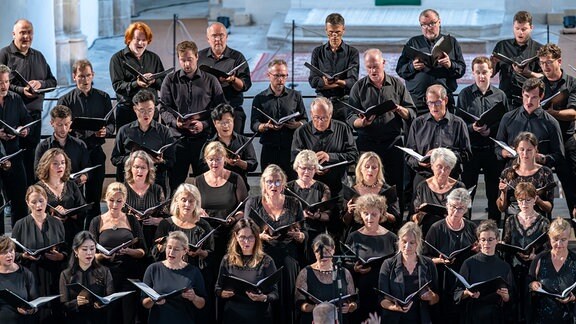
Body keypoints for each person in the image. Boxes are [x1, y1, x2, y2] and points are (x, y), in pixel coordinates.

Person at [348, 48, 416, 213]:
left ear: (384, 63)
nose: (372, 71)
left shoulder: (397, 84)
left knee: (395, 185)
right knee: (367, 184)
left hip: (392, 144)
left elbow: (412, 113)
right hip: (368, 144)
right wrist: (361, 122)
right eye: (369, 67)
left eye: (376, 66)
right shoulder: (359, 87)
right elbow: (350, 117)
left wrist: (400, 109)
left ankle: (396, 222)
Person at [160, 40, 226, 193]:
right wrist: (176, 123)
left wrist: (205, 124)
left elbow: (221, 109)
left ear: (197, 57)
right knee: (176, 185)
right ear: (178, 59)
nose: (186, 64)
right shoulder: (170, 80)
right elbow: (163, 109)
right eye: (183, 60)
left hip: (203, 141)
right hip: (178, 141)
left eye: (189, 59)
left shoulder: (211, 80)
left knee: (205, 184)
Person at [245, 164, 306, 324]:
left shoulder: (294, 203)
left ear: (284, 184)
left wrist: (300, 235)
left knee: (286, 301)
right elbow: (245, 232)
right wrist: (260, 236)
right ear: (263, 183)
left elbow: (304, 232)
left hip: (287, 257)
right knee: (265, 301)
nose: (274, 186)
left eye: (278, 182)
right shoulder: (253, 202)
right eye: (270, 182)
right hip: (262, 258)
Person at [0, 19, 57, 185]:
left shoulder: (38, 56)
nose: (26, 36)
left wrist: (41, 84)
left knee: (31, 157)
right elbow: (2, 85)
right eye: (22, 32)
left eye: (29, 32)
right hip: (10, 117)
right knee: (10, 162)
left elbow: (52, 82)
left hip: (33, 117)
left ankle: (30, 199)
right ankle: (13, 203)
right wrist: (20, 90)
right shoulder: (4, 55)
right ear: (14, 34)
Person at [57, 59, 114, 222]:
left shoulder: (103, 97)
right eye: (81, 76)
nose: (85, 80)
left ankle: (93, 236)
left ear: (93, 75)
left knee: (94, 198)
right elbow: (59, 128)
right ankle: (74, 236)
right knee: (72, 199)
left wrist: (105, 131)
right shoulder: (65, 101)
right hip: (73, 155)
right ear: (74, 76)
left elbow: (111, 124)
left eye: (88, 76)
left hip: (95, 152)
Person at [457, 56, 509, 223]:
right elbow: (459, 123)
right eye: (478, 73)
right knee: (467, 193)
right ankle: (466, 230)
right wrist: (473, 128)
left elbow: (505, 122)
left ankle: (494, 228)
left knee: (493, 193)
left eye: (484, 72)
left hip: (492, 151)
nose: (481, 76)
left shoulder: (500, 95)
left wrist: (490, 130)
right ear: (473, 73)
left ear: (491, 72)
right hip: (471, 151)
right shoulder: (465, 94)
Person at [153, 183, 214, 321]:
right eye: (184, 200)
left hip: (196, 276)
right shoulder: (166, 224)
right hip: (170, 275)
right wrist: (162, 245)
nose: (187, 204)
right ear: (177, 201)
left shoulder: (203, 225)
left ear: (197, 203)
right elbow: (154, 253)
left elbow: (211, 254)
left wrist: (200, 252)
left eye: (191, 201)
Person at [89, 182, 146, 324]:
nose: (115, 205)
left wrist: (130, 251)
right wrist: (102, 256)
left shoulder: (132, 220)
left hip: (128, 274)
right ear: (105, 199)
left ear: (124, 201)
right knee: (108, 316)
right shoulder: (97, 221)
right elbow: (90, 253)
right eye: (111, 200)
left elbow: (143, 251)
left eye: (119, 201)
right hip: (105, 275)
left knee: (128, 315)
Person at [12, 185, 67, 322]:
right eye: (34, 202)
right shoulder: (20, 225)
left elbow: (66, 249)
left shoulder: (57, 223)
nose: (38, 205)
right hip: (31, 277)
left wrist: (61, 256)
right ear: (27, 203)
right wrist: (23, 256)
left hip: (54, 276)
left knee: (56, 315)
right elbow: (12, 254)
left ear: (47, 200)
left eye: (41, 201)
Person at [395, 9, 466, 115]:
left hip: (443, 101)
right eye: (424, 25)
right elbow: (400, 70)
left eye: (432, 23)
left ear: (439, 22)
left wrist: (450, 65)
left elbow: (461, 69)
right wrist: (412, 66)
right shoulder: (413, 43)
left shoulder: (451, 42)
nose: (428, 28)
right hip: (419, 102)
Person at [405, 84, 471, 196]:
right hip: (424, 177)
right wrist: (419, 162)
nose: (434, 107)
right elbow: (408, 156)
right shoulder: (418, 123)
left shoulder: (458, 123)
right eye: (430, 103)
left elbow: (466, 154)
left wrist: (444, 156)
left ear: (445, 100)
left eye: (437, 102)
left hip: (450, 177)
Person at [424, 188, 477, 324]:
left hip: (464, 278)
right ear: (447, 206)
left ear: (466, 209)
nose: (455, 211)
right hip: (443, 277)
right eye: (453, 207)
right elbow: (424, 257)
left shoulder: (471, 227)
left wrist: (477, 250)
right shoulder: (436, 228)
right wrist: (438, 260)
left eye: (460, 208)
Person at [537, 43, 576, 217]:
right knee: (541, 188)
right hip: (544, 142)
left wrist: (553, 113)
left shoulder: (571, 83)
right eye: (542, 63)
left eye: (549, 62)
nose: (545, 66)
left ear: (559, 61)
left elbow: (574, 112)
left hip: (566, 141)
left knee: (572, 187)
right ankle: (544, 235)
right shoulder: (538, 84)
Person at [292, 96, 359, 197]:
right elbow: (294, 160)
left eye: (324, 118)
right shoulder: (301, 132)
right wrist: (313, 165)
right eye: (316, 117)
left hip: (338, 186)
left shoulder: (343, 128)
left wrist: (330, 157)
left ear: (331, 115)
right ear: (311, 114)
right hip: (311, 189)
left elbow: (354, 155)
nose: (320, 121)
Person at [502, 182, 550, 323]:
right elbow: (506, 242)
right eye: (521, 200)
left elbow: (548, 249)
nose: (524, 203)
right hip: (514, 267)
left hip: (534, 269)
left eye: (528, 199)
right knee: (515, 304)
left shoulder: (544, 222)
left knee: (531, 304)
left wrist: (536, 256)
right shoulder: (510, 220)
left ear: (535, 199)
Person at [344, 194, 396, 322]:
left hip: (384, 291)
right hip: (362, 289)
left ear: (381, 214)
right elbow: (345, 262)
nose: (369, 218)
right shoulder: (353, 236)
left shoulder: (392, 238)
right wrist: (354, 268)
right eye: (365, 213)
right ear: (360, 214)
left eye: (374, 214)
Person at [252, 59, 308, 178]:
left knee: (291, 184)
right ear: (268, 75)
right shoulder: (260, 98)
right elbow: (254, 124)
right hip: (269, 148)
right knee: (269, 182)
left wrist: (297, 125)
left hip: (290, 148)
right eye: (277, 75)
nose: (280, 79)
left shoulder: (295, 96)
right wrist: (264, 126)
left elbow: (305, 120)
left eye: (283, 75)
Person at [215, 218, 278, 323]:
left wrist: (263, 298)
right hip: (233, 314)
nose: (246, 242)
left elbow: (275, 293)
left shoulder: (266, 261)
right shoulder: (227, 259)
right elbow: (217, 288)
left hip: (258, 315)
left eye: (250, 237)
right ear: (236, 236)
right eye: (242, 237)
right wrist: (222, 293)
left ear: (257, 237)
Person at [112, 89, 175, 195]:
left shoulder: (164, 131)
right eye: (142, 110)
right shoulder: (124, 131)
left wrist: (160, 161)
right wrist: (132, 160)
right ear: (135, 109)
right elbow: (115, 158)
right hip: (129, 183)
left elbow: (171, 161)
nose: (146, 114)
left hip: (155, 183)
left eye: (150, 110)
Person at [495, 78, 564, 172]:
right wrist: (504, 152)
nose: (529, 101)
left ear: (541, 96)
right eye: (526, 96)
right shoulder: (507, 118)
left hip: (539, 175)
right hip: (513, 174)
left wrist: (543, 158)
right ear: (522, 93)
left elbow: (559, 156)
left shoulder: (551, 123)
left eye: (534, 97)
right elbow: (497, 147)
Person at [454, 220, 514, 324]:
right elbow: (457, 293)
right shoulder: (469, 263)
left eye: (490, 240)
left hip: (496, 316)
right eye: (483, 239)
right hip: (473, 315)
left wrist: (506, 296)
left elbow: (512, 296)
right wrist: (467, 293)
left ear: (497, 240)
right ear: (479, 241)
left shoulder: (504, 266)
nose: (486, 243)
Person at [378, 222, 439, 324]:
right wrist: (394, 307)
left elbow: (437, 298)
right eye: (404, 241)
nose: (407, 246)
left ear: (418, 243)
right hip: (395, 319)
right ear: (399, 241)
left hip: (421, 319)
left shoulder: (429, 264)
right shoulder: (388, 264)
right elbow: (381, 299)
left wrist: (431, 296)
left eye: (412, 242)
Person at [109, 21, 165, 129]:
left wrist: (153, 80)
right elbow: (117, 86)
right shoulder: (117, 59)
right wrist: (136, 83)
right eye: (137, 39)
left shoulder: (154, 58)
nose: (141, 43)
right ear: (129, 39)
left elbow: (164, 83)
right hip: (128, 113)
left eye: (144, 40)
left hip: (150, 113)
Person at [198, 22, 252, 134]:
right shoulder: (200, 57)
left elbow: (245, 85)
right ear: (208, 39)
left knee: (233, 148)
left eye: (221, 35)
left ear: (226, 37)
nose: (218, 39)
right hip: (206, 112)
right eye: (214, 36)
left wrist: (232, 80)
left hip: (231, 110)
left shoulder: (237, 57)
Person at [142, 231, 206, 324]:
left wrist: (194, 297)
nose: (171, 252)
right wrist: (153, 299)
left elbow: (202, 304)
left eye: (176, 249)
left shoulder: (194, 272)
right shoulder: (153, 269)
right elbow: (144, 303)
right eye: (169, 247)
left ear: (185, 251)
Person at [308, 12, 359, 122]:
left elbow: (353, 81)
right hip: (322, 100)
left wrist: (329, 83)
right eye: (331, 32)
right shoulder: (317, 52)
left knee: (344, 134)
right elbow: (313, 81)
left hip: (344, 101)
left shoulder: (352, 52)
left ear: (343, 30)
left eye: (338, 32)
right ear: (326, 30)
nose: (334, 36)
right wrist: (338, 83)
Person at [295, 233, 356, 324]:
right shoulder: (305, 273)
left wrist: (350, 307)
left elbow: (354, 301)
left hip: (339, 320)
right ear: (313, 251)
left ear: (333, 249)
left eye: (327, 251)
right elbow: (299, 304)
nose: (323, 255)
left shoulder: (344, 272)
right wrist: (317, 308)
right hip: (315, 320)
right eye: (318, 251)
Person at [0, 64, 32, 226]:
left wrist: (24, 129)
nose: (4, 86)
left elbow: (26, 120)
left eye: (6, 82)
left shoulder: (15, 98)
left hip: (15, 154)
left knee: (19, 200)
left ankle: (19, 245)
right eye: (0, 82)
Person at [59, 231, 114, 324]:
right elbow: (63, 304)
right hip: (75, 319)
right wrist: (76, 303)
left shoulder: (105, 271)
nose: (89, 253)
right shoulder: (66, 274)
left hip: (99, 319)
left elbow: (111, 299)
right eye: (84, 249)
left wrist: (101, 303)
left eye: (92, 249)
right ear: (76, 251)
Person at [342, 152, 401, 237]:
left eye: (374, 167)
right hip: (358, 236)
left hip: (382, 235)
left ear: (378, 169)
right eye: (367, 167)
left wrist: (384, 214)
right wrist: (349, 212)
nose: (370, 170)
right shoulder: (352, 191)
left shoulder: (387, 190)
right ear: (360, 168)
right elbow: (344, 222)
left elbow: (396, 219)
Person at [286, 150, 331, 262]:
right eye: (303, 168)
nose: (307, 172)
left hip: (314, 233)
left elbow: (328, 215)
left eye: (310, 168)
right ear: (297, 168)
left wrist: (317, 215)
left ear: (315, 169)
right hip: (294, 233)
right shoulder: (288, 188)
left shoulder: (323, 188)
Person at [497, 132, 555, 219]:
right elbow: (501, 208)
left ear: (536, 149)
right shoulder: (507, 172)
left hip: (538, 223)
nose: (525, 154)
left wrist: (537, 200)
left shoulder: (545, 172)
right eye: (522, 149)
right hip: (513, 223)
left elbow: (549, 208)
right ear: (516, 150)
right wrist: (503, 193)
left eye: (529, 150)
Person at [529, 218, 576, 324]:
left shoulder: (574, 260)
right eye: (555, 239)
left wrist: (573, 298)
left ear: (569, 238)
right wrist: (532, 284)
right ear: (549, 237)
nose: (559, 244)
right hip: (541, 317)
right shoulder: (540, 258)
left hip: (567, 318)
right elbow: (528, 281)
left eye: (563, 240)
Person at [35, 148, 87, 246]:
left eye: (63, 163)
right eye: (55, 163)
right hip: (47, 237)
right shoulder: (38, 188)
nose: (60, 166)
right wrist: (51, 218)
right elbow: (32, 215)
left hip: (72, 236)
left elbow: (83, 210)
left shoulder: (71, 185)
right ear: (47, 166)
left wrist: (68, 213)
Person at [492, 11, 543, 108]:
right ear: (513, 27)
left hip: (528, 102)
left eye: (524, 29)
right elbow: (491, 74)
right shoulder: (502, 46)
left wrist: (528, 73)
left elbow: (546, 78)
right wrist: (493, 64)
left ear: (531, 28)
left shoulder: (539, 49)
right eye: (517, 28)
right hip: (505, 99)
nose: (520, 32)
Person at [201, 103, 257, 189]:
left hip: (239, 186)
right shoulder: (209, 144)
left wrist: (239, 163)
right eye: (221, 122)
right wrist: (222, 161)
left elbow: (253, 164)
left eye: (228, 121)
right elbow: (202, 166)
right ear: (215, 123)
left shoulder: (244, 141)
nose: (226, 126)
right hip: (215, 186)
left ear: (233, 121)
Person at [412, 148, 466, 237]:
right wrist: (419, 215)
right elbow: (412, 217)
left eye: (447, 168)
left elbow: (465, 218)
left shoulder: (459, 187)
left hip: (452, 234)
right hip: (428, 234)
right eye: (439, 166)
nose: (443, 172)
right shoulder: (422, 186)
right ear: (432, 166)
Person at [34, 105, 89, 185]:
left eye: (67, 124)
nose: (63, 129)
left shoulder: (80, 144)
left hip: (74, 190)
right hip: (51, 190)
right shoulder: (43, 146)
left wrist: (83, 177)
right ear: (52, 123)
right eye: (60, 125)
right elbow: (37, 173)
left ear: (71, 123)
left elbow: (87, 169)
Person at [123, 150, 166, 251]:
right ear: (130, 169)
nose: (140, 171)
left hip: (153, 236)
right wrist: (131, 218)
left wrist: (155, 221)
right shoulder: (122, 189)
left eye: (143, 168)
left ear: (149, 170)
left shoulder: (157, 189)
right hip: (129, 237)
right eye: (136, 167)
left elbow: (167, 218)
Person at [0, 234, 39, 324]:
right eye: (5, 252)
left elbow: (35, 304)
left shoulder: (26, 274)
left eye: (11, 251)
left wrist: (30, 310)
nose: (9, 255)